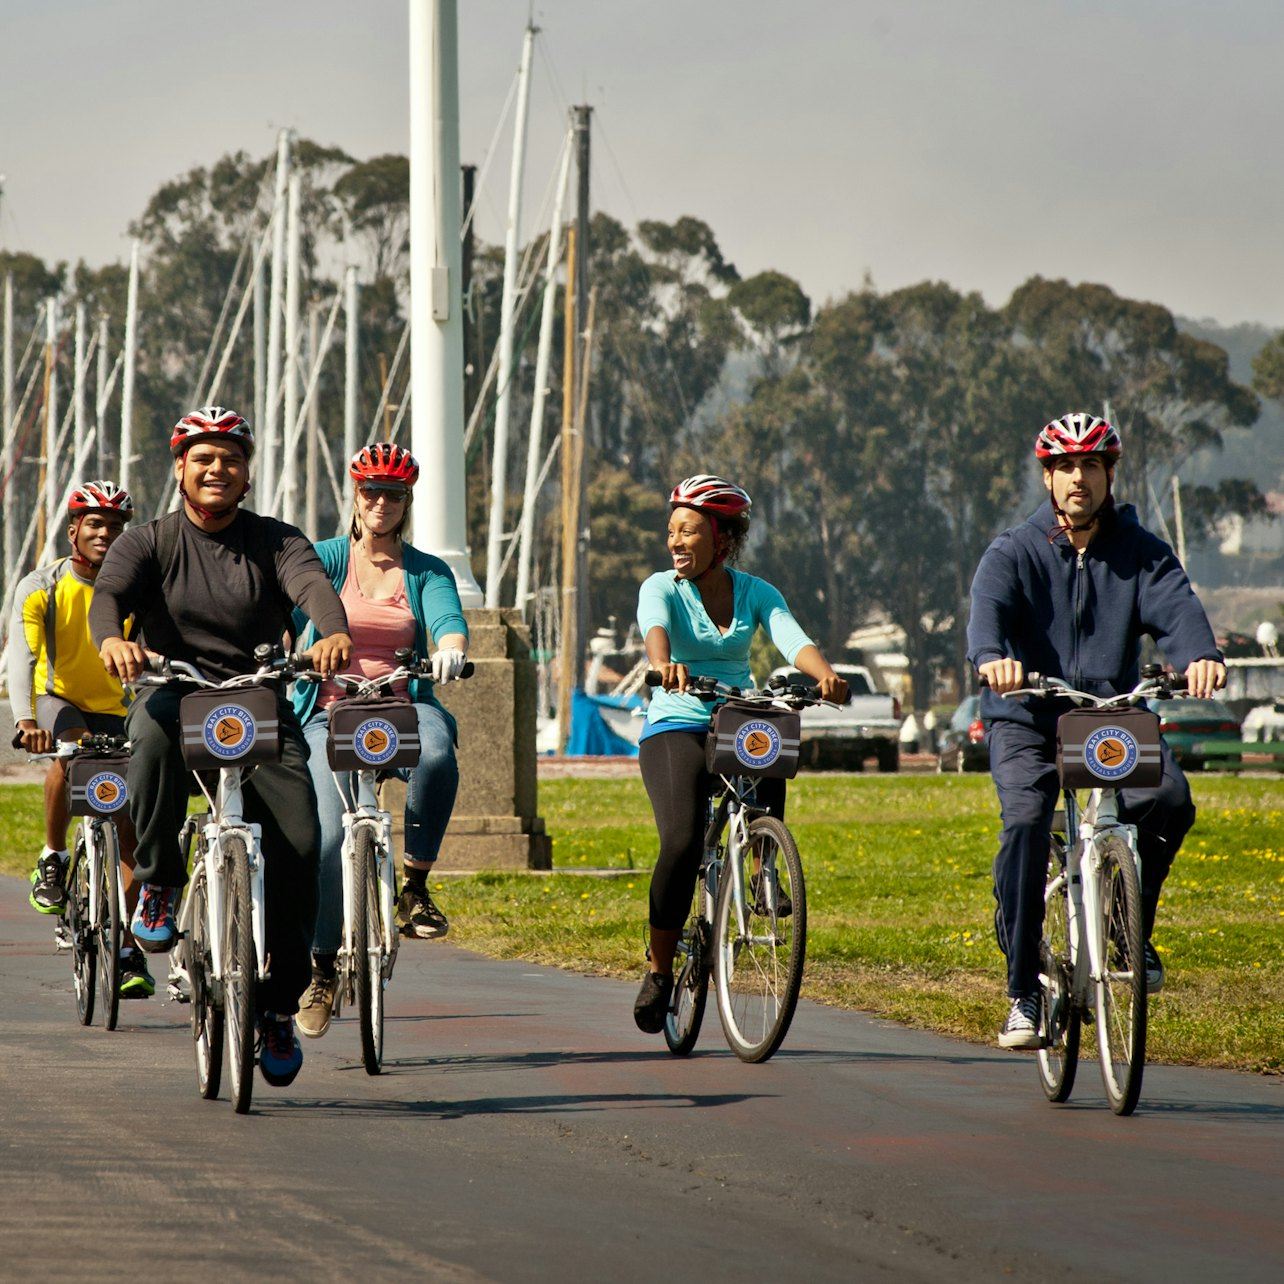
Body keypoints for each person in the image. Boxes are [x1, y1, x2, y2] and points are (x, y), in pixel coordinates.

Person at [89, 405, 353, 1086]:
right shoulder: (147, 541)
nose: (217, 469)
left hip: (256, 698)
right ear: (180, 468)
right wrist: (114, 639)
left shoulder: (275, 539)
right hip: (174, 689)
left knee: (301, 843)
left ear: (245, 473)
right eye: (203, 458)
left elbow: (313, 588)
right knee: (145, 735)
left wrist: (329, 632)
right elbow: (109, 595)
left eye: (230, 459)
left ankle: (275, 1008)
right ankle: (158, 883)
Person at [966, 412, 1225, 1049]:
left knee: (1168, 799)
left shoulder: (1142, 553)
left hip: (1110, 717)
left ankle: (1123, 925)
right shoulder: (1013, 551)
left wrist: (1202, 655)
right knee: (1027, 822)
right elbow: (986, 623)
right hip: (1028, 717)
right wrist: (994, 660)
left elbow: (1178, 610)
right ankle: (1023, 985)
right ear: (1047, 478)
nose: (1077, 478)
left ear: (1109, 473)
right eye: (1064, 467)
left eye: (1090, 465)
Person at [632, 474, 849, 1033]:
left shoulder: (756, 591)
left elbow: (790, 636)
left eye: (689, 531)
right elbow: (654, 629)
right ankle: (658, 970)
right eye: (672, 531)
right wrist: (665, 666)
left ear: (721, 539)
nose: (676, 541)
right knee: (680, 841)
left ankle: (762, 865)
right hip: (676, 721)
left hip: (731, 714)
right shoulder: (661, 586)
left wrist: (824, 675)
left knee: (768, 730)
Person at [292, 442, 469, 1039]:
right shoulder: (324, 559)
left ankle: (415, 885)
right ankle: (319, 971)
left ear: (406, 501)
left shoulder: (426, 570)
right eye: (371, 490)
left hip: (402, 705)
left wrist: (449, 653)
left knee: (440, 752)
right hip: (328, 711)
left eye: (393, 494)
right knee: (327, 834)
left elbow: (447, 621)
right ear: (355, 494)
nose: (381, 502)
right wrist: (292, 653)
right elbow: (283, 617)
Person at [8, 480, 153, 998]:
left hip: (120, 707)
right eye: (95, 524)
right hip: (59, 700)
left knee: (133, 823)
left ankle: (126, 941)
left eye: (116, 527)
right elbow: (21, 659)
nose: (106, 534)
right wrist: (26, 721)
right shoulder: (41, 585)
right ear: (74, 530)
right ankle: (52, 856)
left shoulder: (140, 586)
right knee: (71, 752)